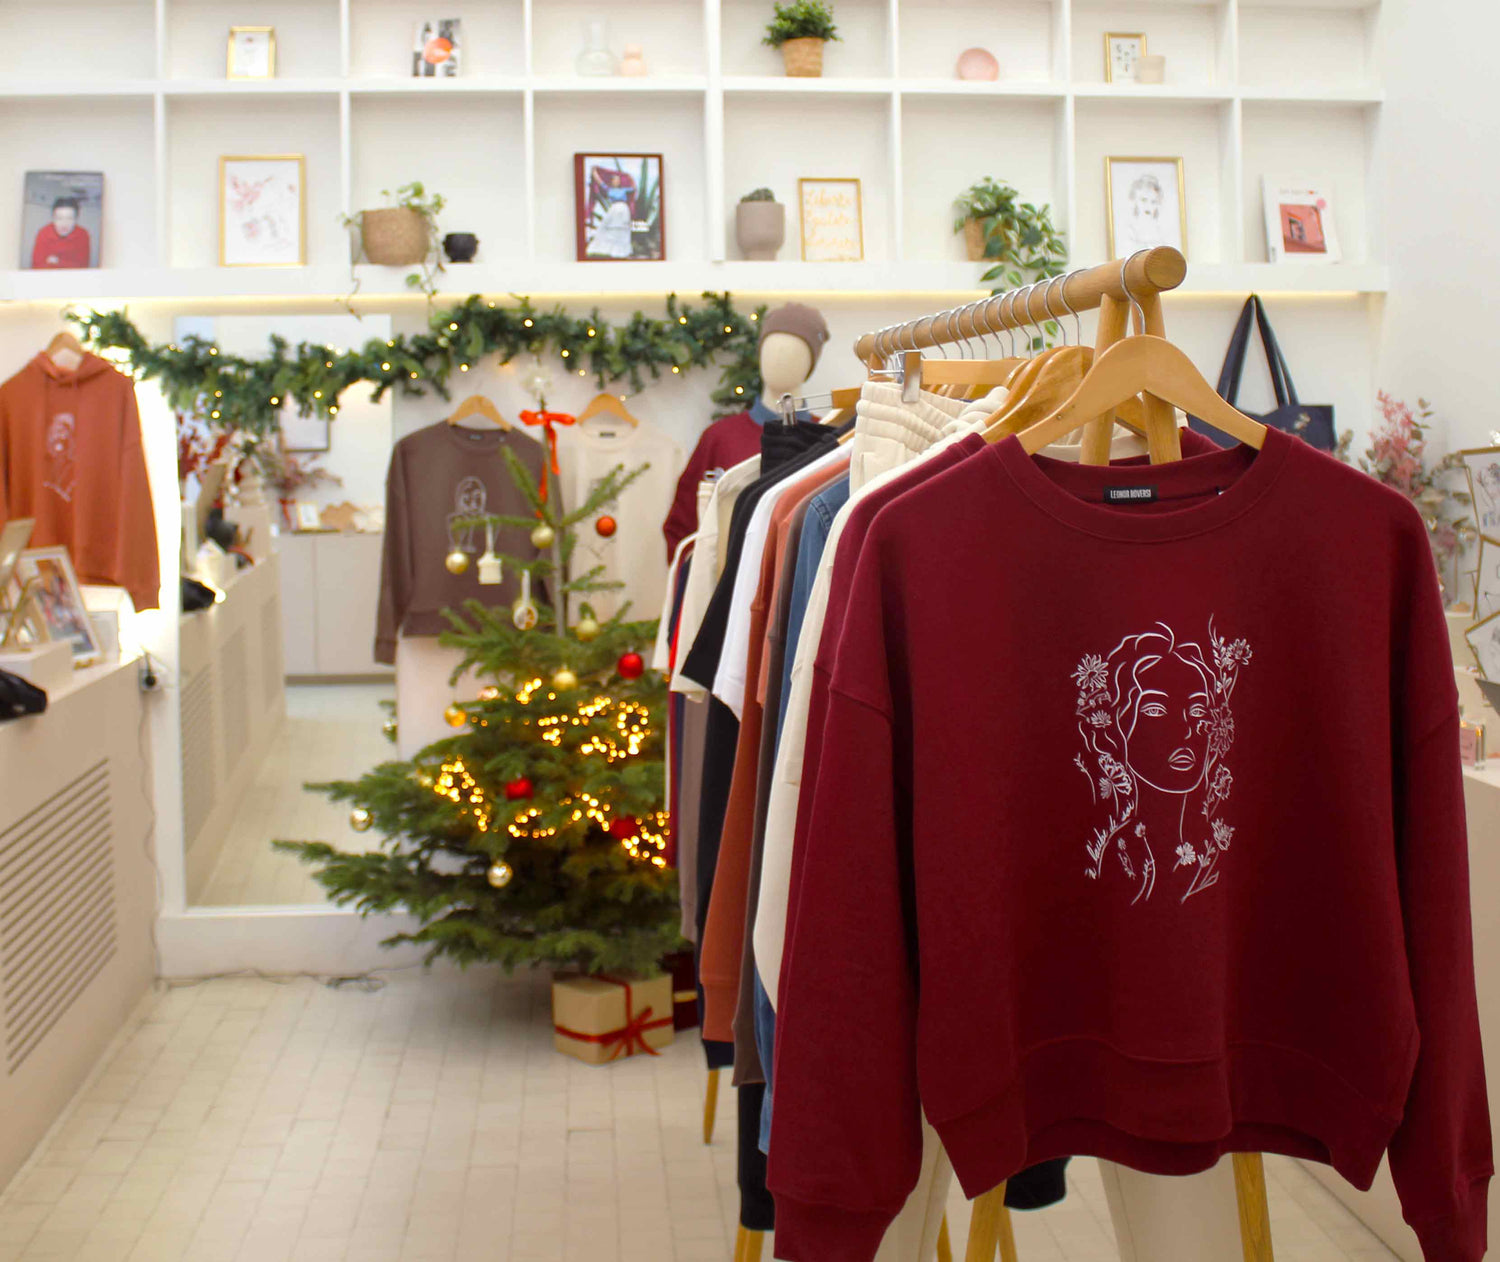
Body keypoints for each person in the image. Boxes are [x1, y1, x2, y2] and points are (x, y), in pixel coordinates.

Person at [1072, 620, 1251, 904]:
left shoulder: (1219, 844)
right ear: (1117, 731)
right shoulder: (1125, 853)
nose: (1185, 730)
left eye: (1197, 710)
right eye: (1156, 710)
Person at [31, 197, 91, 269]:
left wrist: (57, 262)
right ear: (53, 219)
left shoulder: (83, 235)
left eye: (69, 218)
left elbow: (82, 267)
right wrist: (69, 264)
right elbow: (37, 267)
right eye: (59, 218)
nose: (64, 224)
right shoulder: (43, 233)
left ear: (76, 219)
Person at [1118, 172, 1170, 254]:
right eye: (1144, 200)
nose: (1148, 206)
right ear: (1135, 201)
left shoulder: (1160, 231)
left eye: (1153, 202)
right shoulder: (1130, 230)